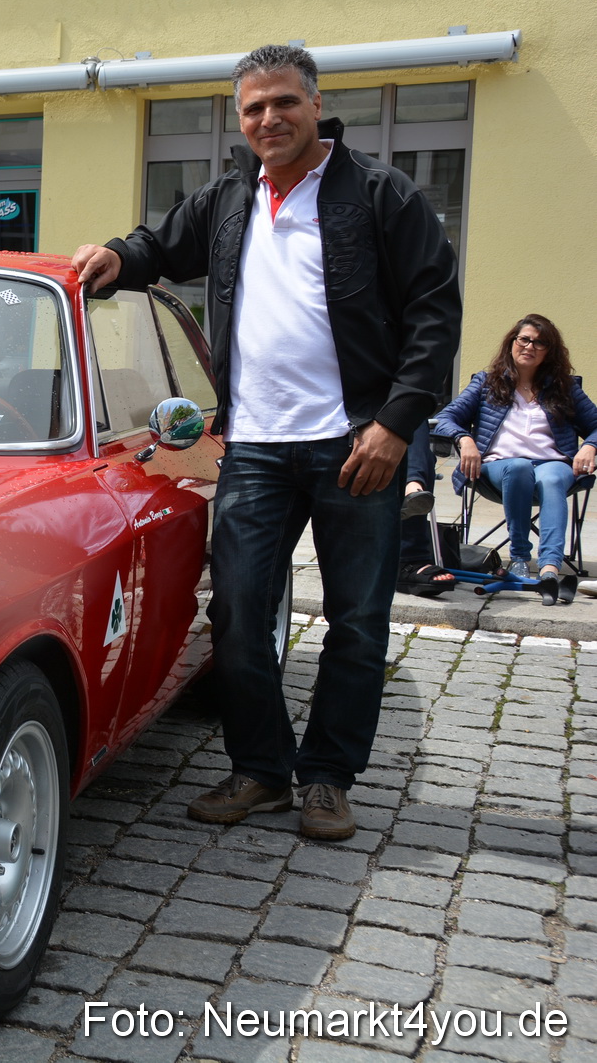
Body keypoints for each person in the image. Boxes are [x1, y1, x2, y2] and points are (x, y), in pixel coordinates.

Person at [71, 44, 461, 841]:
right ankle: (260, 769)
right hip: (252, 442)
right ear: (240, 120)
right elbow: (160, 246)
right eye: (253, 108)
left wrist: (395, 422)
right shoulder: (228, 200)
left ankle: (326, 779)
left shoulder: (380, 195)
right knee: (241, 615)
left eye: (283, 102)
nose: (268, 119)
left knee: (357, 621)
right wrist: (117, 254)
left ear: (316, 105)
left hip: (355, 444)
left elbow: (434, 312)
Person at [433, 315, 597, 605]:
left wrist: (590, 447)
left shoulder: (564, 387)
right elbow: (445, 418)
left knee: (552, 477)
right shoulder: (486, 382)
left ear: (550, 351)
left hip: (552, 463)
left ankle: (549, 567)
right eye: (524, 339)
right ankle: (520, 556)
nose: (530, 346)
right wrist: (465, 439)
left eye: (540, 342)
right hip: (498, 467)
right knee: (519, 467)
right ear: (512, 342)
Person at [398, 422, 455, 596]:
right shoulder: (489, 394)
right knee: (424, 457)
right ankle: (410, 559)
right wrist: (464, 438)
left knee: (414, 415)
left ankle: (412, 484)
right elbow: (448, 416)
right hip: (343, 434)